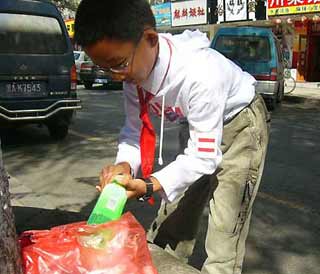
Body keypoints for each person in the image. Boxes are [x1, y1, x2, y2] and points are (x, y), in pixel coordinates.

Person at [74, 1, 270, 273]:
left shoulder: (200, 74)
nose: (116, 77)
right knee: (174, 218)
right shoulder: (133, 74)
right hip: (197, 128)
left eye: (118, 64)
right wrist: (124, 167)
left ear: (150, 39)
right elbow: (134, 130)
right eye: (106, 69)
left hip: (238, 127)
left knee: (225, 228)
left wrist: (150, 185)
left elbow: (203, 156)